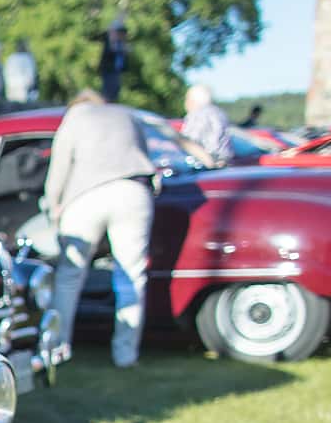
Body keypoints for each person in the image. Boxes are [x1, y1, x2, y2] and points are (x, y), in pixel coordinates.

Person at [42, 89, 155, 368]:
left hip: (85, 196)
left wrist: (53, 205)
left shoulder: (75, 118)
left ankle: (58, 348)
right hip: (133, 190)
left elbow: (59, 168)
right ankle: (125, 354)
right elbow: (144, 154)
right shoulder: (127, 114)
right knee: (131, 277)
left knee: (69, 275)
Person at [182, 82, 233, 167]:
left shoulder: (196, 115)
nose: (186, 102)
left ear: (194, 100)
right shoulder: (219, 113)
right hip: (224, 164)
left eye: (187, 98)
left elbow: (189, 142)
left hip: (205, 164)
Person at [97, 23, 130, 103]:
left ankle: (109, 102)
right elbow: (112, 49)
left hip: (116, 72)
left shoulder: (120, 44)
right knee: (108, 92)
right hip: (109, 71)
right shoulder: (111, 42)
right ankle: (105, 102)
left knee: (115, 90)